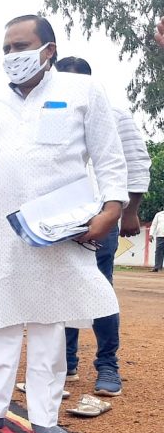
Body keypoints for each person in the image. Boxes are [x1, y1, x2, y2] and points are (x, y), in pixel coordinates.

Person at [0, 15, 127, 433]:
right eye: (7, 49)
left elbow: (109, 158)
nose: (13, 56)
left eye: (21, 46)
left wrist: (112, 209)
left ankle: (46, 416)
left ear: (48, 50)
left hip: (57, 230)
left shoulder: (82, 91)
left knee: (50, 324)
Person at [55, 56, 151, 397]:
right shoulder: (49, 114)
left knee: (99, 288)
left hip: (103, 215)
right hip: (59, 219)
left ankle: (107, 365)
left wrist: (129, 211)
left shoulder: (115, 115)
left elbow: (136, 161)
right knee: (60, 290)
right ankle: (64, 365)